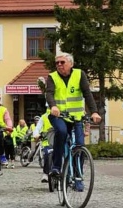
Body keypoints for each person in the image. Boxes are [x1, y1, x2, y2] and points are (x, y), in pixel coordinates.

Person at [45, 53, 102, 186]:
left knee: (80, 145)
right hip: (58, 116)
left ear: (71, 64)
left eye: (62, 62)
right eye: (57, 62)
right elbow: (49, 93)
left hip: (76, 117)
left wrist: (94, 112)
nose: (59, 65)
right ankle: (56, 167)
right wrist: (53, 106)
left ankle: (78, 176)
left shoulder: (79, 74)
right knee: (62, 132)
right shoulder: (52, 77)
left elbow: (87, 93)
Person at [33, 109, 54, 183]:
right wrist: (36, 135)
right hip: (47, 142)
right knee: (47, 155)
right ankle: (45, 173)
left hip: (59, 142)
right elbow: (37, 128)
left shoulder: (62, 115)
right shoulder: (44, 117)